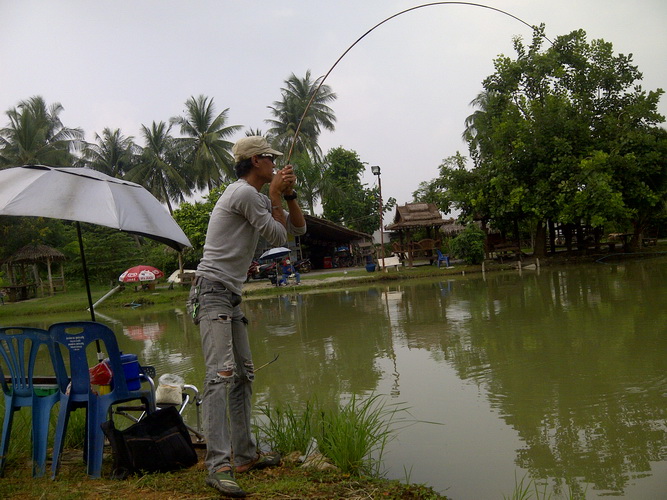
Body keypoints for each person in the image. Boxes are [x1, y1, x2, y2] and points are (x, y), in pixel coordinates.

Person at [188, 136, 306, 497]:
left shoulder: (254, 196)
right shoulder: (243, 194)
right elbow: (275, 235)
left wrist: (288, 196)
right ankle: (218, 465)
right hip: (212, 292)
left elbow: (297, 230)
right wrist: (274, 195)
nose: (274, 162)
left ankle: (244, 454)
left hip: (230, 295)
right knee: (220, 376)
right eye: (270, 158)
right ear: (256, 161)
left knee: (243, 375)